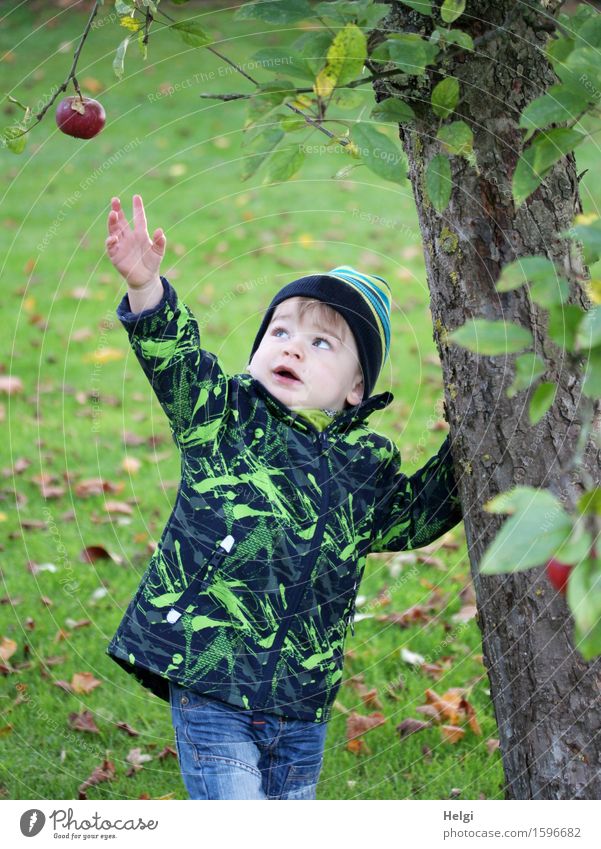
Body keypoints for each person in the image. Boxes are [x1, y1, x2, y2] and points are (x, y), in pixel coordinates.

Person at [104, 194, 463, 800]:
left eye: (323, 343)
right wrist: (146, 286)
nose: (293, 347)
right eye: (281, 330)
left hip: (302, 702)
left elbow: (418, 515)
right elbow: (176, 361)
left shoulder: (365, 466)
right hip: (210, 681)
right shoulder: (223, 418)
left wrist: (475, 439)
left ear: (356, 388)